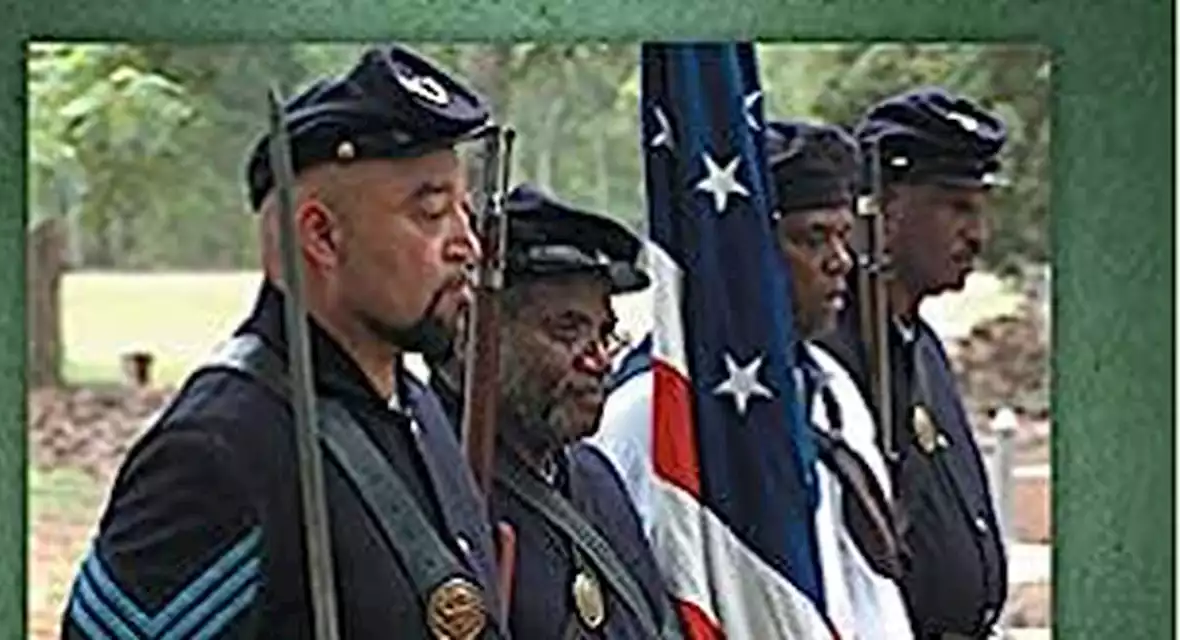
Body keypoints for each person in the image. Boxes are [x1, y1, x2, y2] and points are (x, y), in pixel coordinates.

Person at [60, 45, 511, 639]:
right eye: (430, 213)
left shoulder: (416, 409)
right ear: (321, 236)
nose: (468, 245)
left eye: (464, 210)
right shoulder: (216, 455)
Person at [591, 120, 913, 639]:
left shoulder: (831, 390)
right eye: (813, 239)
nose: (840, 263)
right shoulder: (650, 410)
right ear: (748, 257)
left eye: (843, 237)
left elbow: (869, 593)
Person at [427, 183, 682, 639]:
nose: (598, 360)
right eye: (568, 330)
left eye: (604, 334)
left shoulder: (595, 479)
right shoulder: (429, 478)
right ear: (475, 331)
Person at [815, 87, 1010, 639]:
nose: (977, 235)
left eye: (980, 208)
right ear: (886, 207)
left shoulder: (919, 344)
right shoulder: (829, 358)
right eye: (956, 207)